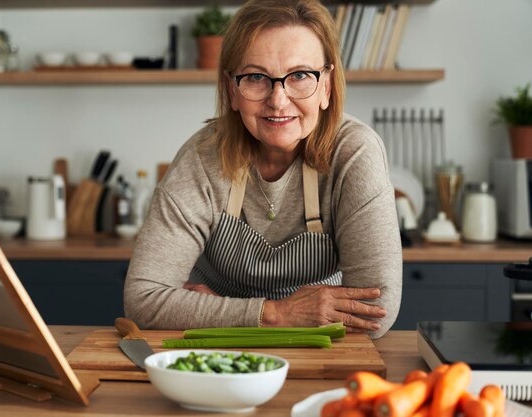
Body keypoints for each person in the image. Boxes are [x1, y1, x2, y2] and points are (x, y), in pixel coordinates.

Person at [124, 0, 402, 338]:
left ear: (326, 87)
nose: (278, 100)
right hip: (218, 349)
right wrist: (275, 315)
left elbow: (374, 314)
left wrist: (206, 310)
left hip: (321, 349)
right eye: (256, 77)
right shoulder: (203, 157)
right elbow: (142, 298)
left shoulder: (355, 153)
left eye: (299, 75)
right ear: (233, 90)